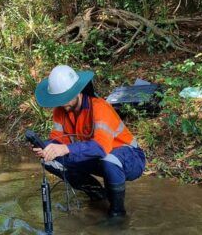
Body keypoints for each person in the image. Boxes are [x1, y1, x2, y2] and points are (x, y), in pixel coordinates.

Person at [31, 65, 146, 217]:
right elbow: (58, 140)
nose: (61, 103)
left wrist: (66, 149)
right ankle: (97, 194)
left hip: (130, 158)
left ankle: (117, 213)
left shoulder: (100, 107)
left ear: (77, 92)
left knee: (109, 160)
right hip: (98, 157)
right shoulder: (60, 110)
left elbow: (101, 147)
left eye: (65, 98)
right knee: (50, 161)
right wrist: (45, 147)